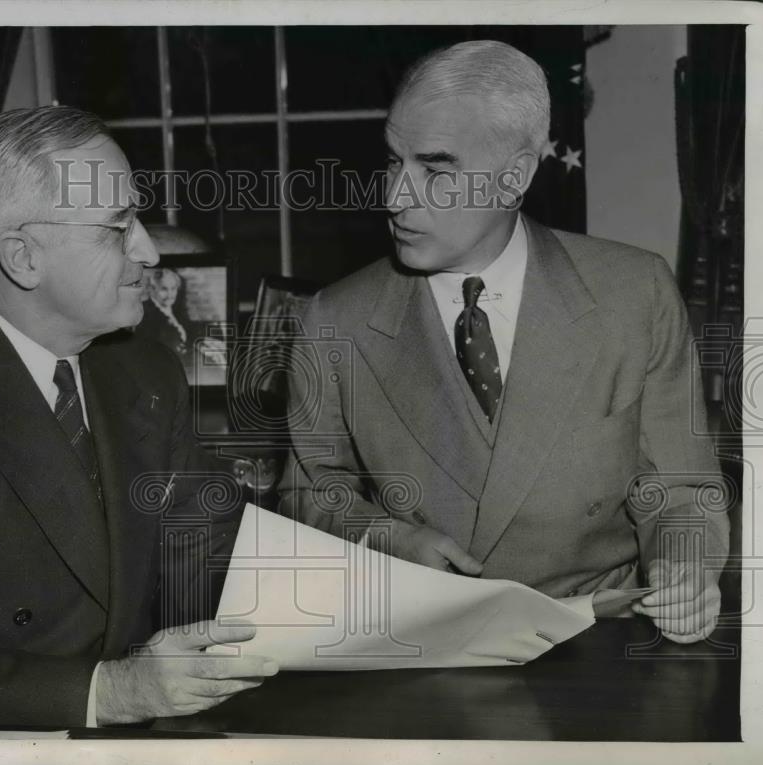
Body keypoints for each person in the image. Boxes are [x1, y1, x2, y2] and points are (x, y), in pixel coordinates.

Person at [0, 106, 276, 728]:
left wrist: (372, 563)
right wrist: (115, 692)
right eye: (117, 227)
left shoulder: (144, 367)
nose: (148, 250)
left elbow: (211, 545)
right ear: (23, 258)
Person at [278, 41, 729, 643]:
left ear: (514, 177)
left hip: (599, 635)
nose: (394, 198)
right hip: (423, 638)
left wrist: (684, 572)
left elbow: (679, 488)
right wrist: (383, 539)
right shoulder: (336, 318)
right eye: (393, 162)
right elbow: (306, 496)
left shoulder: (634, 293)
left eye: (436, 170)